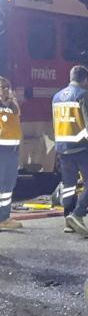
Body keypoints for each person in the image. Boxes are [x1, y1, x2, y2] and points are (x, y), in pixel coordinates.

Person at [52, 66, 88, 237]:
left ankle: (68, 220)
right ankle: (78, 214)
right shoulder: (84, 95)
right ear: (84, 80)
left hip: (63, 148)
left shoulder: (57, 97)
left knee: (69, 186)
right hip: (83, 148)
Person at [0, 76, 22, 230]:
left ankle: (4, 218)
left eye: (6, 87)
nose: (4, 90)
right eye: (1, 87)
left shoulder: (12, 106)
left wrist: (10, 101)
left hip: (12, 151)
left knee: (8, 185)